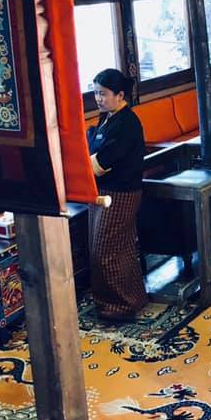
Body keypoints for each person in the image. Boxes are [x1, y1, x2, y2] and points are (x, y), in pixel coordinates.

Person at [86, 69, 147, 321]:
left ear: (120, 95)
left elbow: (104, 160)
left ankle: (120, 305)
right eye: (95, 93)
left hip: (120, 192)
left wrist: (80, 165)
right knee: (118, 247)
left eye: (103, 94)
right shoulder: (107, 118)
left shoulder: (127, 123)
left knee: (106, 250)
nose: (98, 99)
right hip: (102, 192)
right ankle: (130, 299)